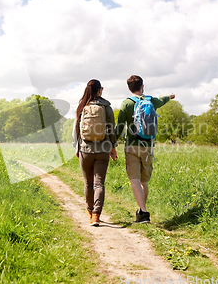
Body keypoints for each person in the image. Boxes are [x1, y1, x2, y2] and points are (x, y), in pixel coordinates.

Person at [115, 75, 175, 223]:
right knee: (144, 181)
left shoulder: (126, 104)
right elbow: (162, 100)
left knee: (134, 179)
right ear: (142, 86)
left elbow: (120, 126)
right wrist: (169, 96)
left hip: (132, 146)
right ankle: (142, 210)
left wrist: (112, 143)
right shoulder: (151, 101)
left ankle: (144, 212)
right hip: (148, 146)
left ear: (129, 88)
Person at [73, 79, 118, 226]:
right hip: (103, 149)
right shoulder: (106, 107)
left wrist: (77, 148)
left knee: (88, 183)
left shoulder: (81, 107)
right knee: (99, 183)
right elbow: (111, 129)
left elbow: (76, 130)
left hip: (85, 149)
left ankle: (90, 210)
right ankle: (96, 216)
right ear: (100, 90)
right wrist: (113, 147)